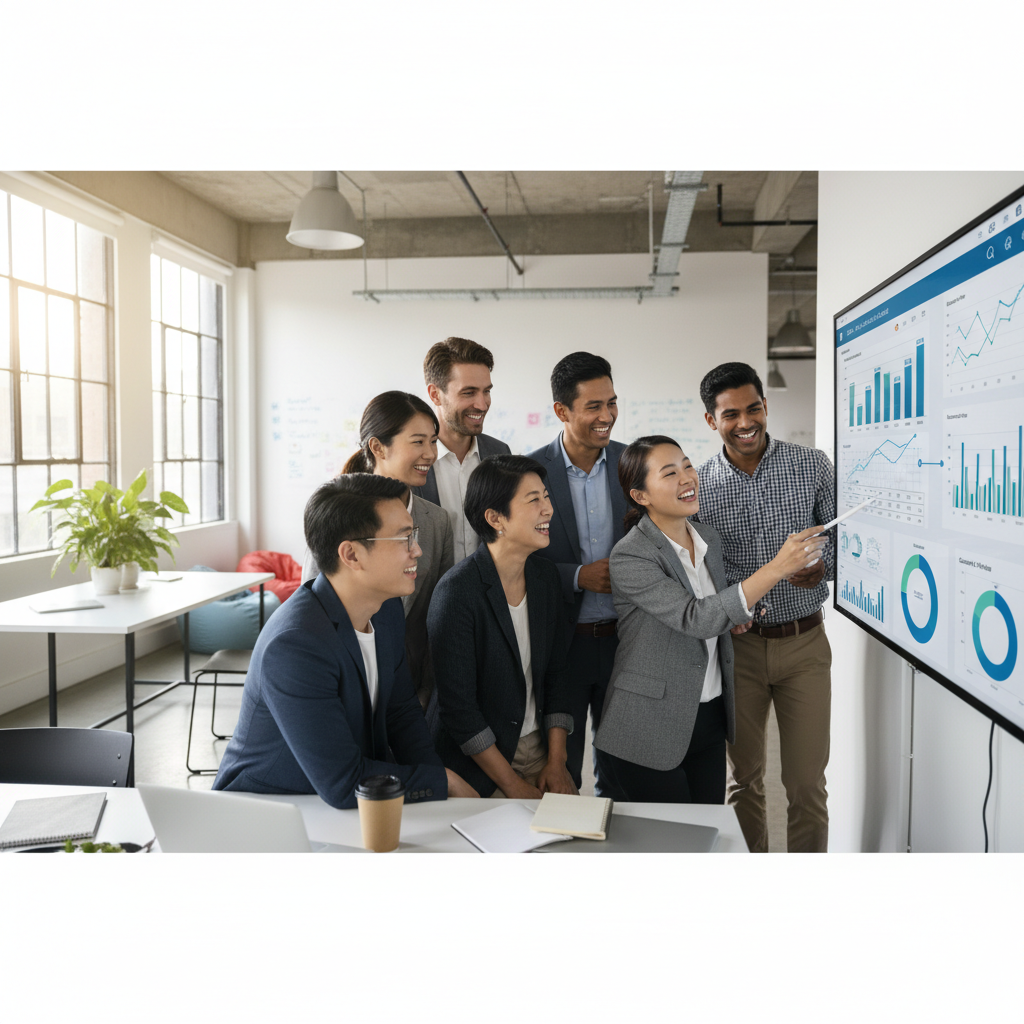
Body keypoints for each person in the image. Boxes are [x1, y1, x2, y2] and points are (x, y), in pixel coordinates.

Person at [213, 474, 478, 808]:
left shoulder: (386, 609)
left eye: (414, 534)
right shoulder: (295, 644)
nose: (418, 550)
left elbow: (402, 713)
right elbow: (343, 783)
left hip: (341, 805)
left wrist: (438, 791)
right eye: (403, 539)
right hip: (270, 810)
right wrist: (443, 782)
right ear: (351, 555)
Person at [593, 436, 826, 806]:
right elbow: (696, 617)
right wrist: (779, 567)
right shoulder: (630, 556)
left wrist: (734, 620)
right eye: (670, 473)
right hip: (649, 725)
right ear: (641, 496)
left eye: (687, 465)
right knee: (674, 849)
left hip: (709, 716)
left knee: (708, 838)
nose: (687, 477)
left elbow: (715, 610)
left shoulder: (707, 539)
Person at [693, 361, 836, 853]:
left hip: (805, 645)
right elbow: (699, 572)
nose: (746, 421)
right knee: (744, 782)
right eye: (731, 414)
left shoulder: (812, 465)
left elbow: (845, 540)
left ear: (765, 406)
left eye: (754, 408)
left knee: (806, 786)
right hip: (740, 652)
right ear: (712, 421)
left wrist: (823, 566)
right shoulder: (699, 486)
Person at [427, 455, 578, 799]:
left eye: (547, 496)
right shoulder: (457, 592)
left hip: (539, 749)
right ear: (495, 518)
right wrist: (513, 786)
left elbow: (557, 674)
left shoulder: (545, 577)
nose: (548, 509)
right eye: (533, 500)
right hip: (480, 761)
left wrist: (557, 761)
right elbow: (460, 711)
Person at [301, 392, 454, 714]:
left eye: (433, 441)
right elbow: (313, 601)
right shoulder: (338, 510)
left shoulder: (437, 521)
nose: (430, 454)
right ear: (377, 447)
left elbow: (438, 618)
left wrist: (426, 692)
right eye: (418, 442)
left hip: (409, 688)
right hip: (341, 681)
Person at [526, 351, 625, 790]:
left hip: (626, 641)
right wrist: (576, 576)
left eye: (612, 403)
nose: (607, 416)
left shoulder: (632, 464)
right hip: (562, 646)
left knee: (622, 768)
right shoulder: (529, 473)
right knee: (562, 772)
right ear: (561, 411)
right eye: (594, 407)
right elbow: (518, 556)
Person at [420, 336, 511, 561]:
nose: (482, 404)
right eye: (468, 393)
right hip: (427, 595)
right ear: (435, 394)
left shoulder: (500, 453)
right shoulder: (412, 460)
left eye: (486, 391)